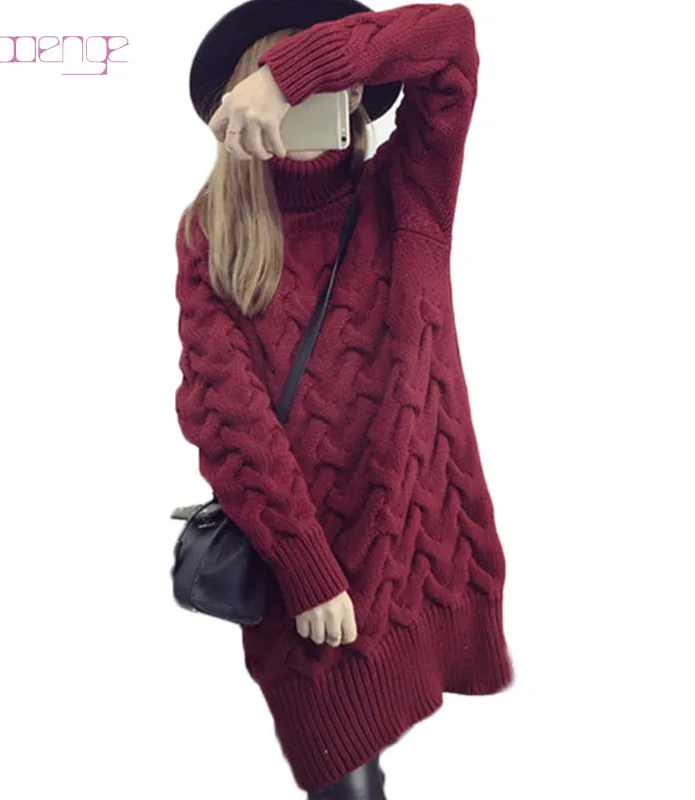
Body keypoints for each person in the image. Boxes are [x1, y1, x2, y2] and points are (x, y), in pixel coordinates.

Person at [175, 1, 515, 797]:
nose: (297, 101)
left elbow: (452, 43)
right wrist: (308, 570)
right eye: (274, 81)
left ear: (355, 90)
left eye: (319, 82)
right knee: (344, 779)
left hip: (420, 555)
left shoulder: (410, 192)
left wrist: (292, 73)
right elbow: (227, 417)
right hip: (304, 575)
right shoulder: (214, 234)